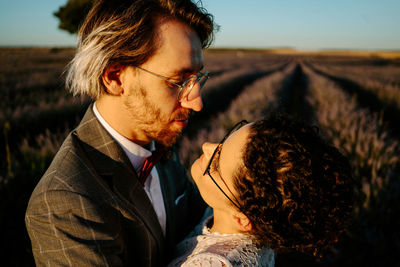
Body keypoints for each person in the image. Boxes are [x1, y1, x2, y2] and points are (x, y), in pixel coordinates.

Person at [25, 0, 216, 266]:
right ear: (115, 77)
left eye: (197, 79)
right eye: (179, 82)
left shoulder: (159, 146)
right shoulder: (65, 202)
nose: (197, 102)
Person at [167, 114, 354, 267]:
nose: (206, 147)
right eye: (223, 142)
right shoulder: (261, 232)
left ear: (242, 218)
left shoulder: (210, 263)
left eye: (215, 164)